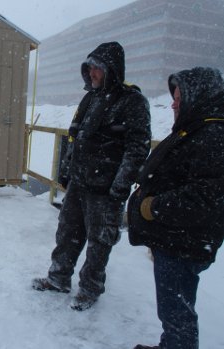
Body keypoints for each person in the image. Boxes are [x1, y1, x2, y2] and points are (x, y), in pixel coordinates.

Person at [32, 41, 151, 311]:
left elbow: (137, 149)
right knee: (67, 232)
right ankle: (58, 277)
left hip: (105, 190)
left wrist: (120, 186)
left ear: (112, 69)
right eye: (91, 68)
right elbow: (75, 136)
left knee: (99, 242)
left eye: (98, 68)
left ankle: (90, 289)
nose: (93, 73)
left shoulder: (133, 102)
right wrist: (66, 170)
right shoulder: (91, 97)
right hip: (79, 183)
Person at [128, 67, 224, 349]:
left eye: (179, 97)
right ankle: (170, 344)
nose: (173, 103)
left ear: (199, 96)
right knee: (174, 309)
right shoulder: (199, 128)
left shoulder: (213, 135)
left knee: (176, 312)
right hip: (177, 239)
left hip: (184, 244)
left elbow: (205, 197)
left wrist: (153, 206)